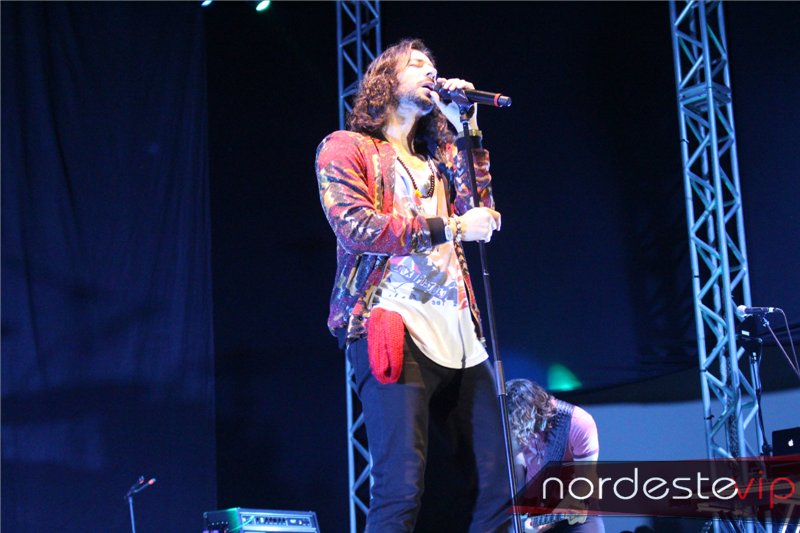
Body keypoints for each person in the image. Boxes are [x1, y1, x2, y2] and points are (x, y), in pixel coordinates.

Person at [315, 38, 509, 532]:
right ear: (386, 80)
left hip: (459, 333)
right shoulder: (347, 147)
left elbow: (480, 208)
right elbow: (357, 228)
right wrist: (453, 227)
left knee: (499, 483)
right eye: (417, 64)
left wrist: (466, 128)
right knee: (401, 485)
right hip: (391, 324)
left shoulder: (438, 157)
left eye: (433, 66)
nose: (431, 72)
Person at [506, 379, 605, 533]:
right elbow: (518, 470)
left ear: (529, 413)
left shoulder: (579, 423)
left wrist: (548, 520)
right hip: (536, 512)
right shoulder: (516, 423)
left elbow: (584, 485)